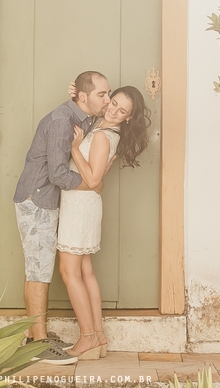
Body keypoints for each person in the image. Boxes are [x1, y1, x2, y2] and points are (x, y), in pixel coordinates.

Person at [12, 70, 111, 365]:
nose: (107, 100)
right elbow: (57, 174)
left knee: (39, 266)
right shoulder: (61, 122)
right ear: (83, 97)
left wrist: (79, 95)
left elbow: (95, 121)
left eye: (108, 94)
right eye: (101, 94)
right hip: (36, 201)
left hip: (43, 201)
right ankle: (38, 342)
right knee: (39, 270)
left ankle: (36, 334)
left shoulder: (78, 116)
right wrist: (92, 183)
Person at [56, 86, 151, 360]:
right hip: (83, 203)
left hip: (80, 206)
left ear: (128, 118)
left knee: (69, 271)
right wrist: (76, 94)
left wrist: (75, 148)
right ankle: (98, 337)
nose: (113, 109)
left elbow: (94, 180)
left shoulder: (103, 136)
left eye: (122, 111)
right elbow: (83, 107)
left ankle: (86, 338)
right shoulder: (100, 125)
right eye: (113, 102)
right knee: (85, 271)